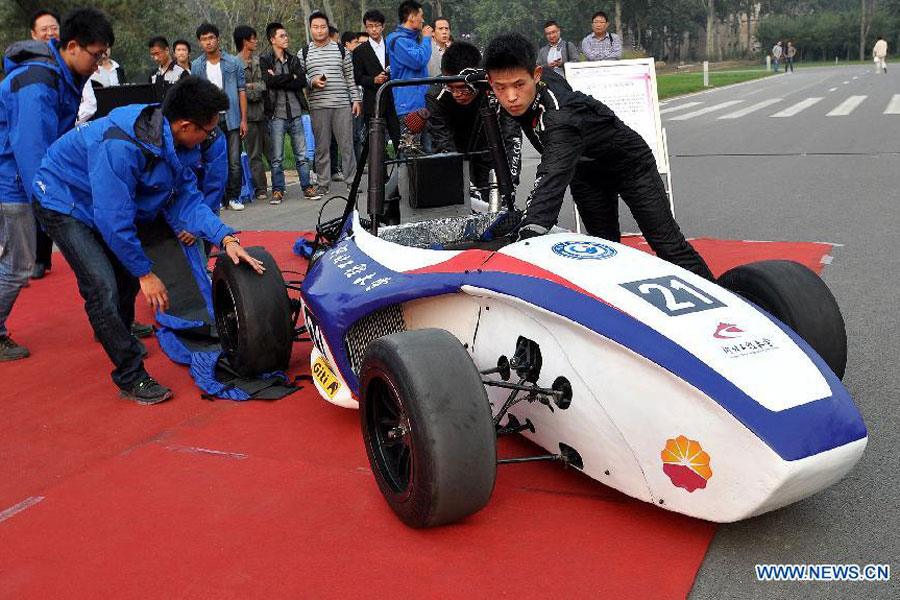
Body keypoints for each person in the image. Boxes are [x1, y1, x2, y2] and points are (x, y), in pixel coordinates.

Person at [32, 77, 265, 404]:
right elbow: (114, 221)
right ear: (185, 125)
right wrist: (146, 273)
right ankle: (131, 374)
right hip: (62, 199)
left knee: (124, 278)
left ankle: (115, 328)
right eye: (208, 131)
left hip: (99, 202)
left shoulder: (174, 143)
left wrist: (225, 239)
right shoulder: (121, 146)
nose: (209, 138)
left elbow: (188, 199)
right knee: (102, 284)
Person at [482, 33, 713, 280]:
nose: (511, 97)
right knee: (604, 253)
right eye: (500, 87)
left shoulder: (560, 118)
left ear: (536, 75)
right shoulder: (524, 83)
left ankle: (725, 303)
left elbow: (551, 180)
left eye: (519, 85)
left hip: (630, 167)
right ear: (490, 82)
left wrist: (527, 238)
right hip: (586, 174)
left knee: (668, 246)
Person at [0, 8, 115, 361]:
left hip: (27, 179)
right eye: (95, 56)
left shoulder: (60, 74)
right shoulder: (37, 83)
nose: (98, 65)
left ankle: (109, 320)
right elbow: (33, 151)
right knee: (18, 265)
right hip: (15, 183)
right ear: (72, 46)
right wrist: (53, 202)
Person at [425, 41, 521, 200]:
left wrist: (510, 180)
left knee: (497, 198)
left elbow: (511, 136)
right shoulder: (436, 94)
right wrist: (463, 185)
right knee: (461, 197)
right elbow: (442, 142)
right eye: (451, 88)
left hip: (488, 143)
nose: (456, 93)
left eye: (463, 87)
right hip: (455, 144)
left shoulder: (496, 87)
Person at [299, 11, 362, 198]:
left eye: (322, 27)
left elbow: (350, 77)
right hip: (318, 106)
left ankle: (351, 182)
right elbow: (300, 77)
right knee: (321, 146)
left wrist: (356, 100)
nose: (319, 31)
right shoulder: (304, 52)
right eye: (315, 27)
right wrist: (312, 82)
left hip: (342, 104)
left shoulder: (340, 50)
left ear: (328, 28)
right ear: (310, 29)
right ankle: (323, 183)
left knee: (347, 145)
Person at [191, 23, 247, 211]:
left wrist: (243, 119)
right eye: (204, 39)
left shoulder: (232, 62)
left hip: (232, 117)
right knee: (213, 161)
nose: (208, 42)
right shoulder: (197, 65)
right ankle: (219, 199)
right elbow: (197, 95)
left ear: (217, 39)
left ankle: (234, 197)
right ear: (200, 43)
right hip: (209, 121)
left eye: (211, 38)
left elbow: (241, 91)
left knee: (234, 161)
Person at [354, 9, 403, 222]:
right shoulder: (360, 51)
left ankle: (402, 179)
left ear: (383, 26)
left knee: (400, 140)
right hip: (373, 102)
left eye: (377, 25)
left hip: (394, 100)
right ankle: (380, 186)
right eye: (369, 26)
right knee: (377, 146)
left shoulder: (391, 47)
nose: (373, 29)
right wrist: (373, 80)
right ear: (366, 28)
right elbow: (358, 77)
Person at [260, 22, 318, 203]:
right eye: (282, 36)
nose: (286, 39)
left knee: (301, 155)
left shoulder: (293, 59)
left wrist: (282, 79)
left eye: (286, 36)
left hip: (295, 112)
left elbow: (300, 81)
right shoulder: (265, 59)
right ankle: (278, 190)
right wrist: (288, 77)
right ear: (272, 40)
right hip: (276, 114)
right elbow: (269, 82)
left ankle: (307, 188)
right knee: (276, 157)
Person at [28, 8, 62, 281]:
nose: (51, 33)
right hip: (33, 143)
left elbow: (87, 101)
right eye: (44, 30)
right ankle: (39, 257)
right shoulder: (27, 68)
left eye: (54, 28)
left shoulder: (67, 62)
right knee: (34, 196)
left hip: (64, 140)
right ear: (33, 35)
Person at [387, 0, 434, 152]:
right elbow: (418, 61)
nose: (423, 20)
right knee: (410, 154)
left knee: (426, 151)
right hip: (409, 106)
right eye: (421, 16)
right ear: (412, 17)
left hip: (422, 102)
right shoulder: (397, 40)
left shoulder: (412, 39)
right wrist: (427, 38)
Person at [234, 25, 270, 203]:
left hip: (263, 113)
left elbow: (265, 84)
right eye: (252, 38)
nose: (256, 41)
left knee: (272, 151)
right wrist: (253, 88)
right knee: (253, 154)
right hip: (246, 116)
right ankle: (260, 188)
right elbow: (237, 90)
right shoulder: (234, 64)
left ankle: (279, 185)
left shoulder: (259, 60)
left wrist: (250, 88)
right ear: (244, 41)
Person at [76, 47, 126, 123]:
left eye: (107, 46)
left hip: (117, 117)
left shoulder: (118, 69)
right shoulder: (87, 73)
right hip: (94, 119)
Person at [148, 37, 187, 102]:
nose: (155, 58)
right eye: (152, 55)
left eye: (157, 54)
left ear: (167, 50)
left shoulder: (181, 73)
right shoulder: (153, 75)